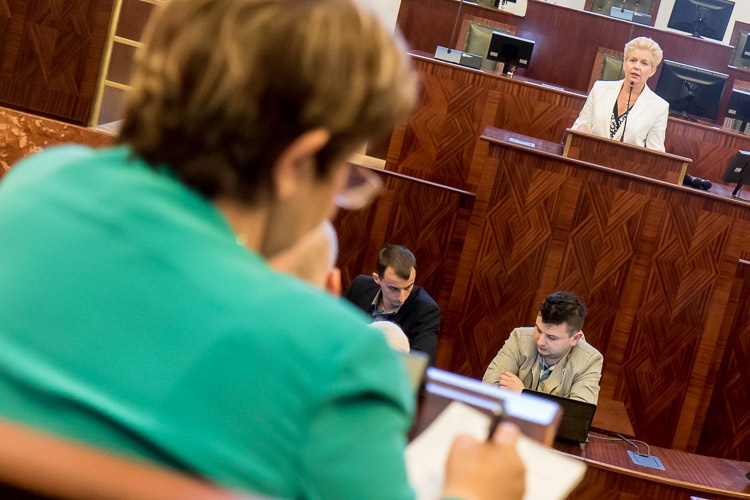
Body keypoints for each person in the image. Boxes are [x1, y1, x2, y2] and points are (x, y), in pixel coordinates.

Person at [0, 0, 525, 498]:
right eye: (343, 176)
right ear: (297, 163)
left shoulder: (32, 186)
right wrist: (472, 491)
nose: (331, 206)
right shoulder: (339, 364)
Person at [483, 292, 603, 405]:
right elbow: (488, 389)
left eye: (552, 337)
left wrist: (523, 396)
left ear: (575, 338)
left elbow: (577, 416)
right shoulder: (519, 338)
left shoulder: (590, 360)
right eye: (538, 330)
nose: (540, 341)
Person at [343, 245, 441, 363]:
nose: (401, 298)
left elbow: (420, 365)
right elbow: (335, 328)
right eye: (393, 288)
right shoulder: (360, 287)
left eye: (408, 287)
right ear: (377, 279)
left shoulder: (426, 310)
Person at [571, 36, 669, 152]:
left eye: (644, 63)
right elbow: (582, 123)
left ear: (652, 71)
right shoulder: (600, 89)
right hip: (588, 155)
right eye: (632, 60)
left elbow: (655, 152)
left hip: (626, 162)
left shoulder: (659, 107)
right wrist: (581, 131)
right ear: (624, 63)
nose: (636, 67)